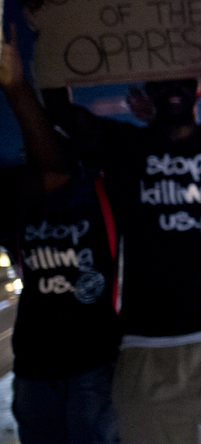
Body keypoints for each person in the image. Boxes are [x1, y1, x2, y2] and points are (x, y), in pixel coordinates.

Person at [43, 69, 201, 442]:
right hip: (146, 349)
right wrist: (51, 37)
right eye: (161, 77)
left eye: (183, 77)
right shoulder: (125, 148)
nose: (172, 86)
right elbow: (62, 114)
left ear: (199, 87)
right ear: (145, 86)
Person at [1, 26, 120, 444]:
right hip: (35, 372)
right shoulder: (20, 200)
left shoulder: (98, 192)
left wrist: (19, 87)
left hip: (93, 367)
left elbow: (55, 169)